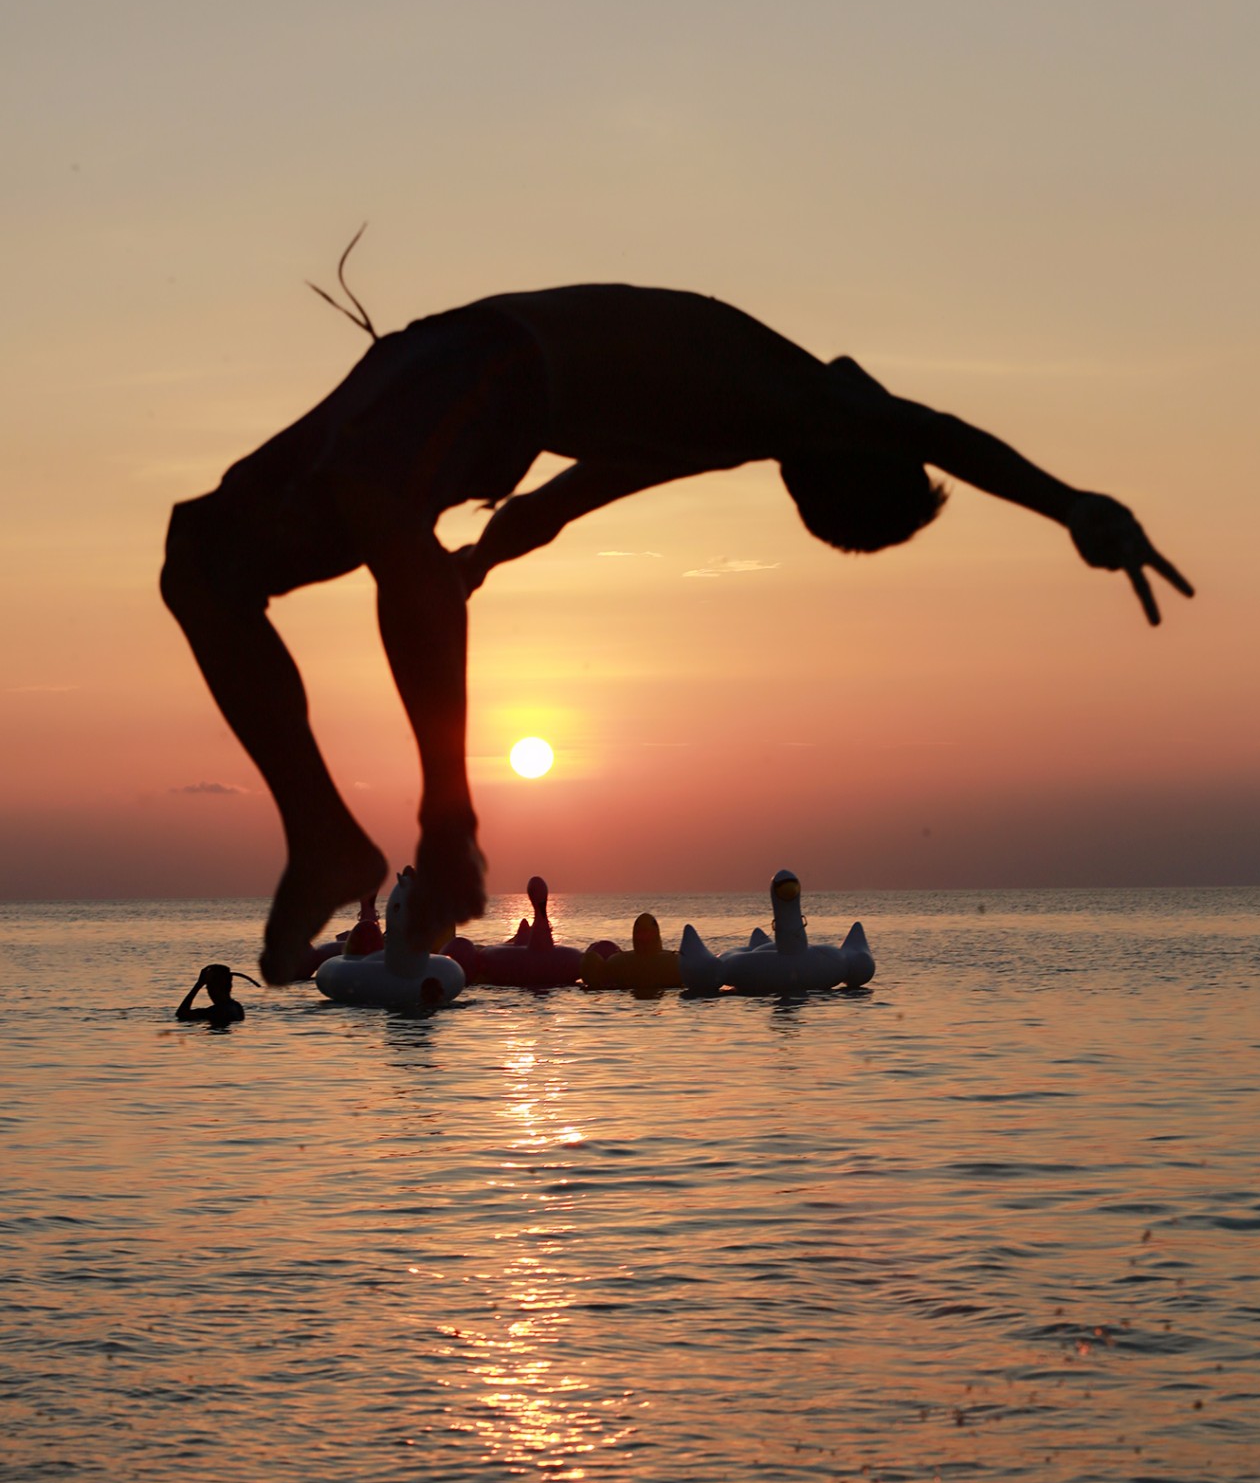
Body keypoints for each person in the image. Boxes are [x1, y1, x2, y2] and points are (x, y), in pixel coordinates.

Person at [160, 280, 1194, 984]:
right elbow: (575, 494)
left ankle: (442, 832)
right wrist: (483, 559)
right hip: (444, 361)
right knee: (202, 558)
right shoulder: (731, 410)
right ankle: (327, 837)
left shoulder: (807, 401)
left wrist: (1072, 506)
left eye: (878, 428)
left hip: (476, 362)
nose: (873, 387)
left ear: (841, 454)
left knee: (372, 508)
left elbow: (938, 434)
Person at [176, 963, 250, 1027]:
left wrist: (198, 985)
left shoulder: (216, 1011)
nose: (208, 992)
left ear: (213, 988)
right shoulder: (237, 1006)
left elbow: (181, 1014)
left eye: (208, 987)